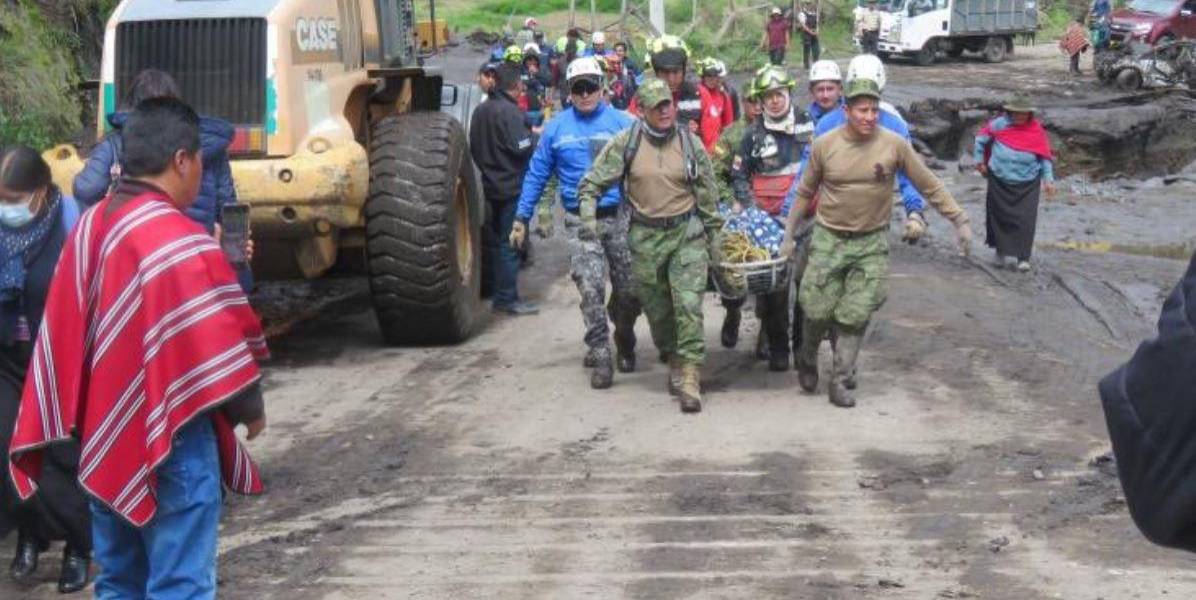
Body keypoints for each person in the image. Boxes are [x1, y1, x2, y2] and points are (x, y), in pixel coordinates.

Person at [9, 97, 269, 599]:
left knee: (120, 583)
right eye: (200, 160)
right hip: (175, 438)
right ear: (181, 161)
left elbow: (63, 329)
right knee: (180, 584)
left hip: (103, 438)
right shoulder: (181, 241)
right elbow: (219, 338)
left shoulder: (88, 229)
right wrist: (250, 411)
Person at [780, 77, 972, 409]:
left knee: (856, 314)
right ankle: (807, 357)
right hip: (828, 238)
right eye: (862, 110)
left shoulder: (894, 144)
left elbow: (927, 183)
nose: (870, 117)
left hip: (870, 241)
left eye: (874, 110)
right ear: (847, 111)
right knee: (816, 309)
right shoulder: (825, 144)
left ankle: (840, 378)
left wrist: (959, 219)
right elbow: (804, 192)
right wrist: (788, 236)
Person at [576, 78, 724, 413]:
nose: (665, 111)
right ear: (641, 110)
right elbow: (591, 185)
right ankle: (673, 356)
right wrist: (588, 220)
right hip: (645, 238)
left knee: (689, 305)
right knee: (658, 311)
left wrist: (716, 240)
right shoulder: (625, 143)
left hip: (686, 234)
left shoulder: (690, 144)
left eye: (668, 104)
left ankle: (690, 376)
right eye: (657, 107)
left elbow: (708, 196)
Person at [783, 55, 928, 373]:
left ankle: (842, 367)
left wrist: (915, 212)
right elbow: (806, 179)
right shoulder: (826, 126)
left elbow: (911, 175)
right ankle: (806, 353)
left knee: (856, 302)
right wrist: (788, 221)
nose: (868, 115)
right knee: (812, 294)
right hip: (826, 225)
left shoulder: (894, 126)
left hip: (869, 231)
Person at [510, 57, 641, 389]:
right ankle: (600, 352)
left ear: (602, 87)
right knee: (590, 287)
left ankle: (625, 336)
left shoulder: (623, 124)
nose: (585, 95)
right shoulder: (556, 129)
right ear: (569, 91)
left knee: (630, 291)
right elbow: (537, 174)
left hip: (618, 217)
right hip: (579, 222)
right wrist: (522, 217)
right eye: (578, 88)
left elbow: (645, 169)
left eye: (590, 87)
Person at [0, 147, 90, 594]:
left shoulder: (72, 222)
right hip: (8, 357)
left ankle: (79, 544)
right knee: (8, 452)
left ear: (40, 191)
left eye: (14, 199)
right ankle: (30, 534)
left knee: (60, 456)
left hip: (57, 358)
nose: (7, 208)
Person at [72, 69, 251, 291]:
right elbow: (227, 205)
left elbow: (87, 188)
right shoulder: (205, 144)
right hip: (201, 264)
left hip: (143, 263)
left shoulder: (120, 142)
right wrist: (233, 259)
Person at [725, 66, 814, 371]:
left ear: (789, 93)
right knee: (775, 290)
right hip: (769, 225)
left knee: (807, 289)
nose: (774, 101)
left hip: (808, 222)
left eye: (779, 94)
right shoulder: (752, 135)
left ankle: (803, 348)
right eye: (768, 96)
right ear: (761, 100)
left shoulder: (809, 125)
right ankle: (778, 349)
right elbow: (739, 177)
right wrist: (752, 210)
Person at [470, 63, 540, 316]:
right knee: (511, 244)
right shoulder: (509, 112)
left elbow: (474, 147)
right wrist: (534, 137)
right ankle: (508, 298)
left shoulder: (480, 110)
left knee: (496, 243)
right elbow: (520, 146)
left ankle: (498, 293)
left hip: (490, 185)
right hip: (511, 187)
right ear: (517, 85)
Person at [973, 95, 1056, 272]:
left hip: (1027, 184)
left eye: (1023, 113)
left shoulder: (1036, 130)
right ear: (1010, 112)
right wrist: (979, 161)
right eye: (1016, 113)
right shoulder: (999, 124)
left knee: (1025, 220)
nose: (1019, 116)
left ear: (1029, 114)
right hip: (999, 180)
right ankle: (1000, 252)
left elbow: (1044, 156)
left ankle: (1023, 257)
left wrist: (1048, 180)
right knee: (999, 217)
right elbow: (981, 139)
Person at [628, 36, 703, 132]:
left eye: (676, 72)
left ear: (684, 71)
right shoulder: (643, 95)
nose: (671, 79)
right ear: (656, 73)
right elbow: (630, 127)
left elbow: (710, 133)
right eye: (665, 72)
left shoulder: (699, 93)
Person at [696, 58, 735, 152]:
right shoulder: (695, 93)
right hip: (698, 145)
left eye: (715, 76)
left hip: (715, 146)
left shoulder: (723, 95)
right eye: (708, 76)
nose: (712, 79)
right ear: (702, 77)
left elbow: (728, 124)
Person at [798, 1, 822, 69]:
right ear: (805, 5)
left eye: (810, 4)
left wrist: (817, 30)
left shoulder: (814, 13)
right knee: (807, 50)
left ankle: (816, 64)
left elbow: (817, 23)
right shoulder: (802, 14)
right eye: (807, 4)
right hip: (806, 34)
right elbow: (803, 25)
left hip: (814, 33)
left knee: (816, 50)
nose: (809, 5)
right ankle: (806, 65)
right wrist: (810, 32)